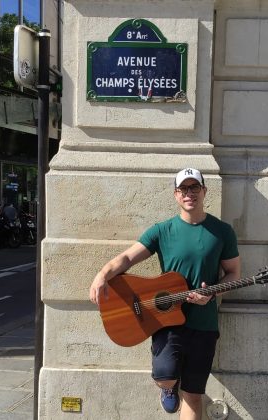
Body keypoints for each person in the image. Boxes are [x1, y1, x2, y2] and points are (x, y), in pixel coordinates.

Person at [90, 168, 241, 419]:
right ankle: (168, 389)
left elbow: (234, 273)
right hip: (166, 321)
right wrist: (102, 274)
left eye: (195, 188)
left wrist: (212, 294)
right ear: (176, 195)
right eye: (184, 189)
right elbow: (128, 257)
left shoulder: (222, 232)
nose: (189, 193)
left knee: (193, 394)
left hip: (203, 324)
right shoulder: (162, 231)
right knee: (167, 376)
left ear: (204, 191)